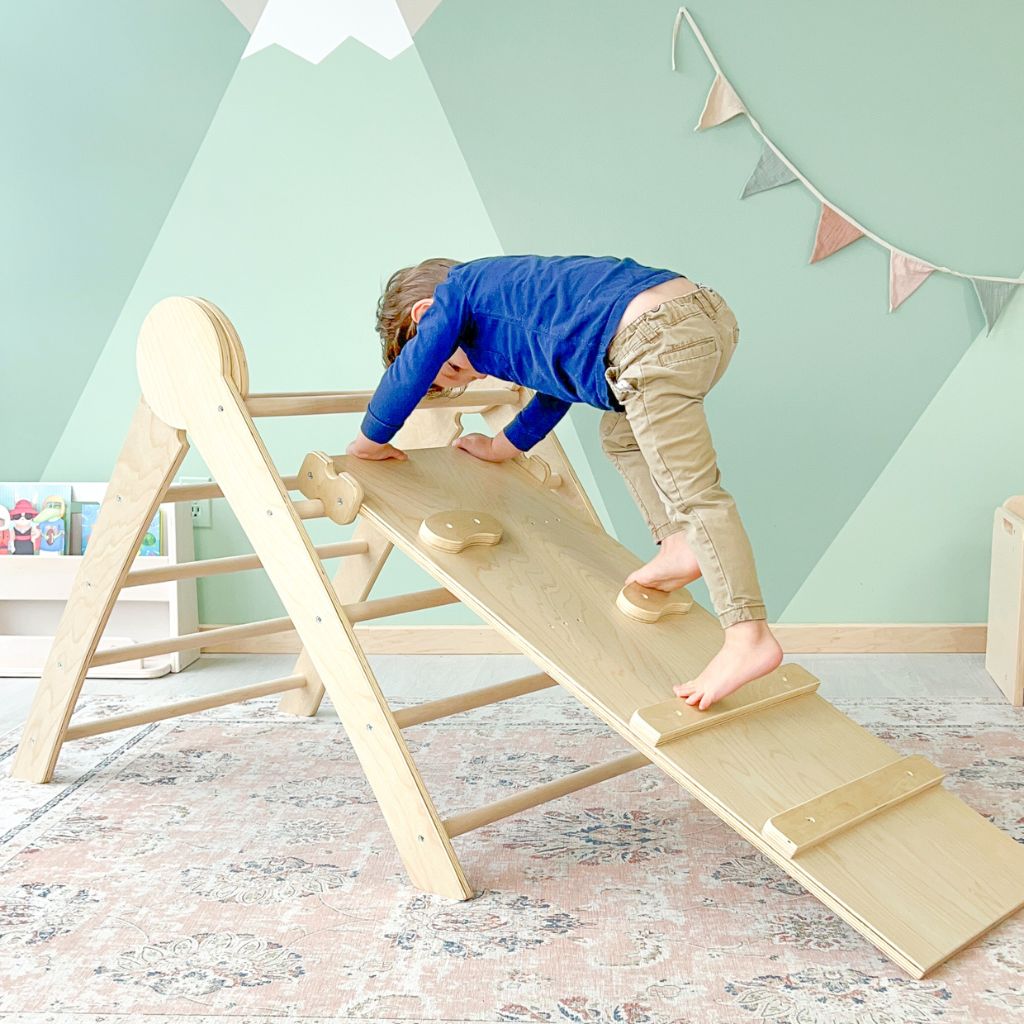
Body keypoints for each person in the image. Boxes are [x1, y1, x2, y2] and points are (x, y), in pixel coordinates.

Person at [347, 255, 782, 708]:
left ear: (424, 315)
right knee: (623, 434)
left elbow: (411, 369)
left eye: (453, 368)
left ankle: (747, 635)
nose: (475, 371)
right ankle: (677, 546)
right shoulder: (522, 297)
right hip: (703, 318)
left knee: (694, 495)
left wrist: (369, 441)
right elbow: (558, 388)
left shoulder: (459, 294)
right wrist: (501, 447)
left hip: (652, 336)